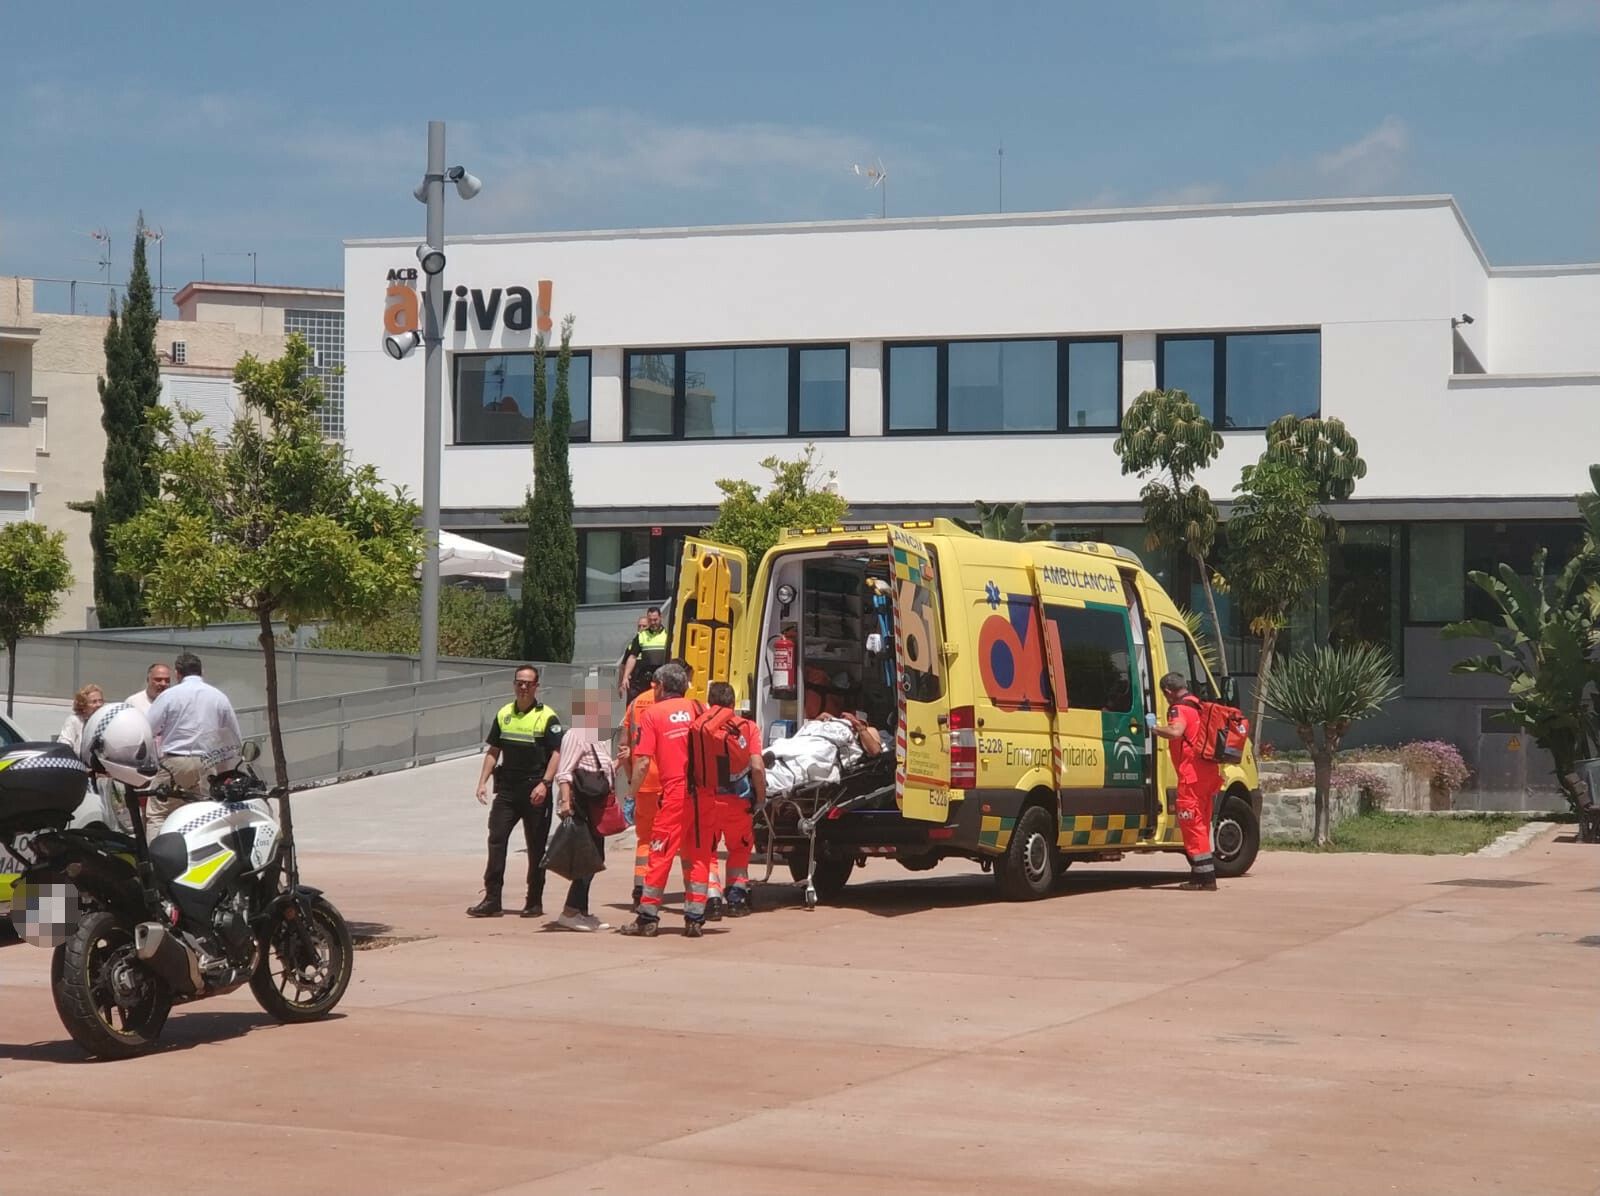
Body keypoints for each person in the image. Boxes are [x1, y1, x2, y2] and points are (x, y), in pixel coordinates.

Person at [619, 661, 711, 938]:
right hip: (704, 794)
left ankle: (647, 917)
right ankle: (695, 918)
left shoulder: (654, 714)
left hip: (674, 793)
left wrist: (631, 794)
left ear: (659, 687)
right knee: (698, 855)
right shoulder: (699, 708)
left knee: (659, 852)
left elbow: (643, 761)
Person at [469, 665, 563, 919]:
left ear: (536, 687)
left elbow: (557, 753)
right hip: (508, 790)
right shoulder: (504, 714)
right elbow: (493, 751)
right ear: (514, 685)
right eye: (519, 682)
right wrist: (482, 782)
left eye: (528, 683)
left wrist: (545, 783)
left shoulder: (547, 717)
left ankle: (534, 901)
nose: (523, 687)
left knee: (536, 847)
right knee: (496, 839)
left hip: (535, 789)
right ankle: (492, 899)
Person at [147, 653, 243, 838]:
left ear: (177, 674)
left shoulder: (168, 696)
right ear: (202, 672)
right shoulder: (219, 697)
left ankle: (156, 861)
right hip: (209, 763)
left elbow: (148, 728)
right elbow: (233, 736)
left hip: (175, 763)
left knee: (159, 813)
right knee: (205, 814)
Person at [695, 682, 766, 917]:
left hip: (707, 800)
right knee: (739, 849)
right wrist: (760, 798)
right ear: (733, 704)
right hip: (739, 800)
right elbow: (756, 766)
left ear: (709, 702)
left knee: (708, 851)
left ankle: (712, 898)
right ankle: (736, 899)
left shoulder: (700, 727)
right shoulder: (748, 727)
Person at [551, 676, 616, 932]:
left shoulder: (595, 736)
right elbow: (564, 771)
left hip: (594, 804)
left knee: (593, 856)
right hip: (580, 803)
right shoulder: (576, 735)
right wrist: (566, 801)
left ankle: (581, 910)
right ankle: (570, 911)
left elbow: (599, 770)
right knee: (587, 857)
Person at [1150, 672, 1222, 891]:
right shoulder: (1199, 706)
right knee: (1202, 823)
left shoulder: (1178, 709)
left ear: (1168, 692)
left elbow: (1176, 731)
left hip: (1191, 776)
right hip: (1208, 774)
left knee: (1192, 825)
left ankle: (1204, 878)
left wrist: (1154, 728)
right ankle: (1203, 875)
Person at [618, 606, 668, 703]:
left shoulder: (668, 635)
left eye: (655, 620)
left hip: (662, 678)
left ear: (661, 618)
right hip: (645, 679)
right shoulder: (641, 636)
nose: (653, 623)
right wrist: (625, 677)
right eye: (650, 620)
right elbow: (632, 657)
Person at [57, 684, 105, 754]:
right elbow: (64, 746)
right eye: (94, 702)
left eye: (100, 701)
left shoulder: (104, 722)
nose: (99, 705)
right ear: (83, 705)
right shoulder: (74, 721)